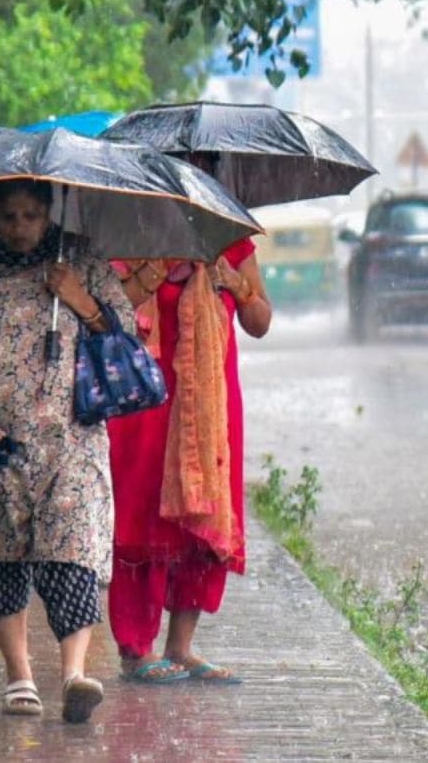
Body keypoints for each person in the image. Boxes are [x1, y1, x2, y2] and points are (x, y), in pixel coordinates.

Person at [0, 178, 147, 722]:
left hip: (71, 441)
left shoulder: (81, 261)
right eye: (8, 217)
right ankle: (19, 676)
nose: (20, 228)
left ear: (49, 212)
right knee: (2, 559)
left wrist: (78, 299)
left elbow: (126, 339)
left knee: (71, 554)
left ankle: (74, 674)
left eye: (30, 215)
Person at [106, 235, 273, 684]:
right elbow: (108, 310)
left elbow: (260, 322)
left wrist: (233, 283)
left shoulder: (231, 241)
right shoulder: (132, 229)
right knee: (139, 512)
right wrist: (158, 267)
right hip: (144, 396)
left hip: (208, 405)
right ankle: (135, 650)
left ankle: (181, 647)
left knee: (204, 513)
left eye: (206, 159)